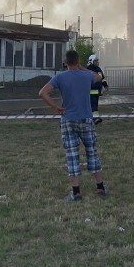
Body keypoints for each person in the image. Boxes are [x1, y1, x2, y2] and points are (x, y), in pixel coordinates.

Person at [39, 49, 107, 201]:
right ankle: (100, 188)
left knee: (72, 155)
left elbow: (42, 93)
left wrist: (56, 107)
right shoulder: (87, 75)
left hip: (68, 120)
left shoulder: (60, 77)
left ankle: (76, 192)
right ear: (78, 61)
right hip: (86, 119)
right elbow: (98, 77)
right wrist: (82, 67)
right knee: (92, 152)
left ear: (65, 62)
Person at [87, 54, 108, 125]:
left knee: (95, 104)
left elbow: (102, 78)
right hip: (91, 91)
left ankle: (93, 118)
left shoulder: (98, 69)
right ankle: (95, 118)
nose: (97, 62)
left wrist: (105, 85)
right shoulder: (88, 69)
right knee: (93, 105)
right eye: (95, 61)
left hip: (97, 91)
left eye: (97, 61)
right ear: (91, 61)